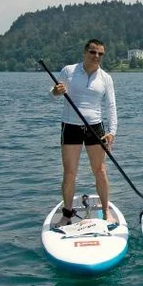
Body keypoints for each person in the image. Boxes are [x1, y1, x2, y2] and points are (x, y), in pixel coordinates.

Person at [50, 39, 117, 226]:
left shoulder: (105, 78)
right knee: (70, 173)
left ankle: (106, 211)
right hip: (71, 126)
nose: (96, 56)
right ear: (85, 52)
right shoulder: (69, 71)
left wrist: (112, 132)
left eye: (100, 54)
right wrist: (56, 91)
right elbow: (54, 93)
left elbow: (111, 106)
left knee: (100, 171)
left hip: (95, 128)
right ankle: (67, 214)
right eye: (93, 52)